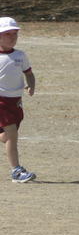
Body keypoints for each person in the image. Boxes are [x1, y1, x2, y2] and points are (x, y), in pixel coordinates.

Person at [0, 17, 36, 182]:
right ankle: (16, 170)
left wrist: (31, 85)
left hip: (15, 102)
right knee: (12, 134)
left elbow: (29, 73)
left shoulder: (20, 55)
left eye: (14, 33)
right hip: (1, 101)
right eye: (7, 34)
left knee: (6, 137)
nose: (12, 37)